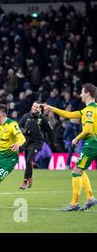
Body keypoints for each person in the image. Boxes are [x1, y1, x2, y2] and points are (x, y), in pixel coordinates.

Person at [42, 83, 97, 211]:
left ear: (88, 93)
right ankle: (90, 198)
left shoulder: (89, 110)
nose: (80, 94)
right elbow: (70, 115)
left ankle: (74, 203)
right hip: (93, 143)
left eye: (82, 92)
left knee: (76, 171)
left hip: (91, 144)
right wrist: (52, 108)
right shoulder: (91, 109)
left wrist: (76, 138)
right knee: (80, 169)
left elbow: (88, 129)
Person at [18, 102, 55, 189]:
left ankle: (25, 181)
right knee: (28, 162)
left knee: (28, 161)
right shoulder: (26, 116)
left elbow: (50, 132)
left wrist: (53, 143)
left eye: (37, 107)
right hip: (27, 143)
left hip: (37, 143)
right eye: (33, 106)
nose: (34, 108)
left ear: (40, 109)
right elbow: (19, 126)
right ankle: (30, 176)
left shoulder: (43, 119)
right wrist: (25, 131)